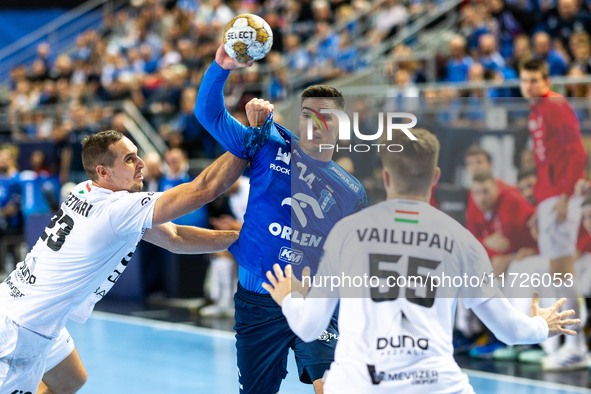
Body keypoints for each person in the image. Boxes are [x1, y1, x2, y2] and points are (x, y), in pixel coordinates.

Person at [262, 128, 579, 393]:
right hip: (438, 386)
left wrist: (289, 297)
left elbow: (308, 327)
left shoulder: (347, 232)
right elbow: (509, 331)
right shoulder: (462, 240)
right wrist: (542, 325)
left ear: (386, 177)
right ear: (436, 176)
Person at [0, 130, 247, 393]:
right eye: (130, 159)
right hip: (22, 331)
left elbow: (176, 237)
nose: (141, 164)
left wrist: (240, 239)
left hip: (22, 305)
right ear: (103, 172)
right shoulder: (117, 210)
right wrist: (246, 143)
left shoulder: (85, 189)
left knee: (71, 380)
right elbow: (204, 189)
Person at [195, 44, 367, 394]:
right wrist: (221, 67)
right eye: (308, 114)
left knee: (331, 384)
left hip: (313, 300)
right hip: (256, 303)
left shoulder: (352, 191)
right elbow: (208, 115)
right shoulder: (268, 141)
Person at [520, 58, 589, 370]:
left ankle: (576, 346)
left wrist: (564, 196)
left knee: (562, 272)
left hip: (562, 196)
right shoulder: (536, 111)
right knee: (558, 273)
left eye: (534, 80)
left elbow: (577, 152)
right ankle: (573, 344)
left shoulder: (555, 106)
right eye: (525, 81)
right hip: (550, 198)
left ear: (546, 80)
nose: (529, 87)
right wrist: (541, 204)